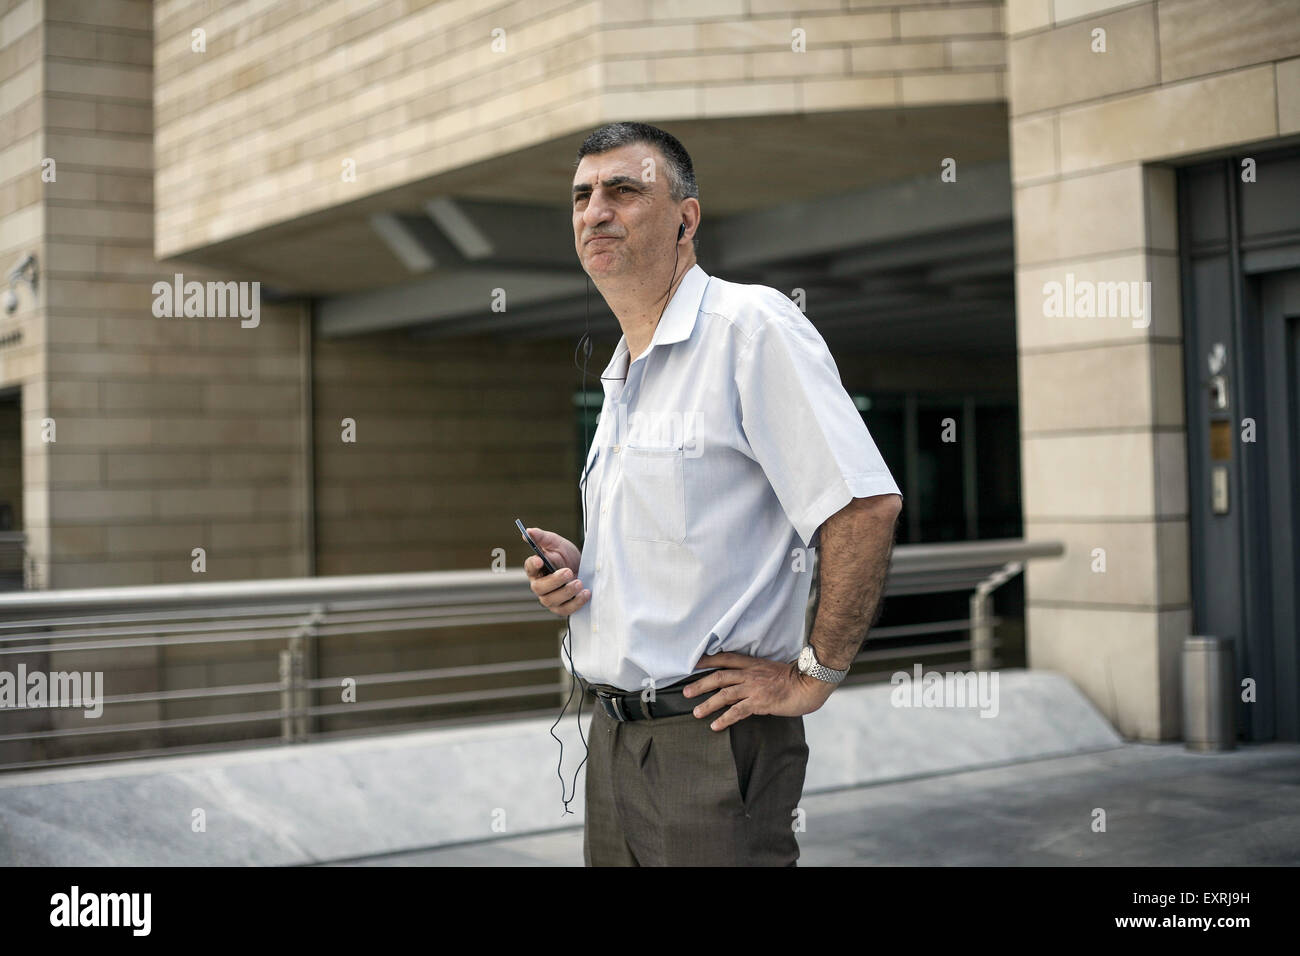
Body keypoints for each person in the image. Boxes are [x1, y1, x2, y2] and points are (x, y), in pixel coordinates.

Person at [524, 121, 902, 866]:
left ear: (686, 219)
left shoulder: (750, 327)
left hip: (711, 742)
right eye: (582, 195)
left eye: (624, 190)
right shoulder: (626, 368)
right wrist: (583, 569)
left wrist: (813, 675)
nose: (595, 210)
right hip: (611, 735)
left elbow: (863, 506)